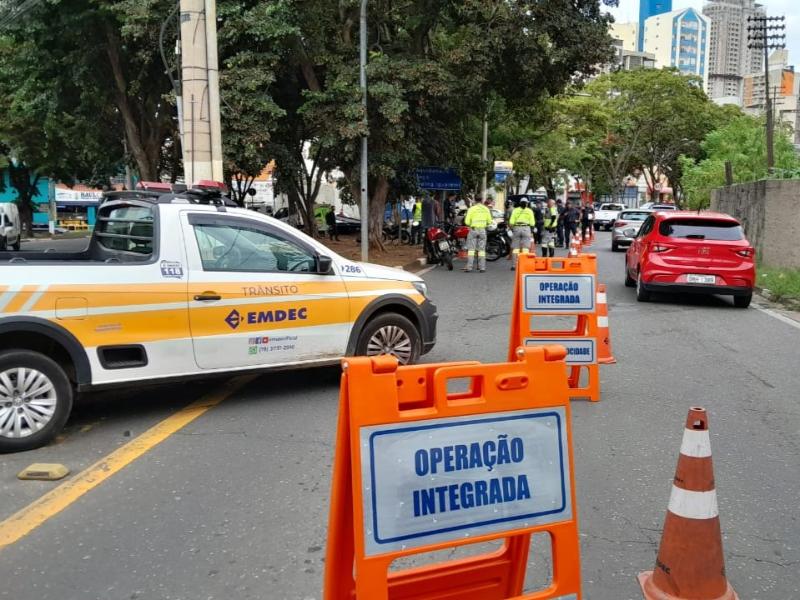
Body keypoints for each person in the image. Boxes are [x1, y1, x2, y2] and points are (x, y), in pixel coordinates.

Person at [463, 198, 493, 273]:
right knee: (482, 250)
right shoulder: (486, 209)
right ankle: (482, 268)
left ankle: (469, 268)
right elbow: (489, 221)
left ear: (475, 201)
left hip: (473, 230)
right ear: (482, 201)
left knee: (471, 250)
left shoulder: (471, 209)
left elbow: (466, 222)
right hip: (482, 230)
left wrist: (471, 224)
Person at [508, 198, 535, 270]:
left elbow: (511, 222)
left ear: (520, 203)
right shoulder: (529, 211)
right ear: (527, 203)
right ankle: (524, 265)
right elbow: (532, 223)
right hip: (526, 228)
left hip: (517, 228)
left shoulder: (515, 210)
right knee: (525, 248)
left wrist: (512, 229)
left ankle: (514, 266)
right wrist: (531, 231)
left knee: (515, 248)